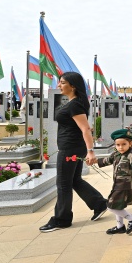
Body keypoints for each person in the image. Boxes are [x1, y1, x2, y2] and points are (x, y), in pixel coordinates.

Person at [39, 72, 108, 232]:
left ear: (73, 86)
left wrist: (91, 151)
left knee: (63, 183)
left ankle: (61, 219)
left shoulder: (75, 104)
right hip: (72, 146)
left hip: (70, 149)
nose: (59, 85)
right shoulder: (75, 103)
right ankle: (99, 203)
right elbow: (83, 126)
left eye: (62, 82)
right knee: (74, 180)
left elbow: (85, 129)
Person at [93, 129, 132, 234]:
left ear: (130, 143)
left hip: (123, 186)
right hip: (116, 184)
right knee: (118, 206)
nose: (120, 147)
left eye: (124, 144)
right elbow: (106, 160)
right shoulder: (116, 154)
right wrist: (94, 161)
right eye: (118, 145)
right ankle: (120, 226)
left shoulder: (130, 156)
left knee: (111, 206)